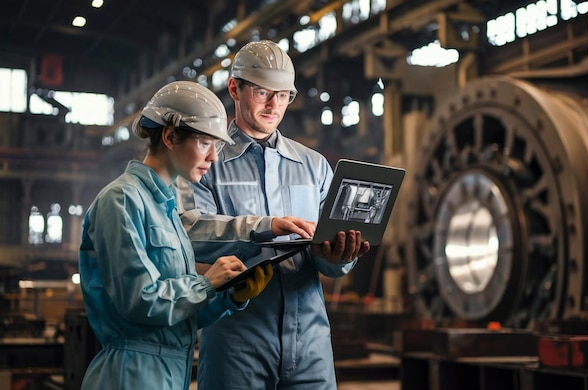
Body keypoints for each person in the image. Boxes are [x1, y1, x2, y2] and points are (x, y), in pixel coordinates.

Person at [78, 80, 313, 390]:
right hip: (129, 374)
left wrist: (228, 295)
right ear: (170, 136)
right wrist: (208, 281)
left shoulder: (168, 209)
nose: (214, 157)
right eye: (205, 143)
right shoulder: (121, 201)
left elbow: (177, 317)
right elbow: (139, 302)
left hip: (169, 372)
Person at [178, 40, 371, 389]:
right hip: (237, 339)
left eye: (283, 95)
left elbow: (332, 262)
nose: (273, 105)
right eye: (263, 93)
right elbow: (188, 232)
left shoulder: (313, 166)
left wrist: (340, 256)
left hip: (311, 343)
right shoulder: (206, 162)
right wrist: (264, 228)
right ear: (234, 88)